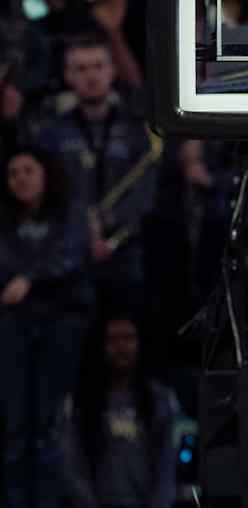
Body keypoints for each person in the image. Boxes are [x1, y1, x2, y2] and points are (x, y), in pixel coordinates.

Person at [0, 148, 91, 508]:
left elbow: (71, 256)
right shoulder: (4, 219)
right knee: (17, 430)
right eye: (13, 172)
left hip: (59, 327)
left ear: (45, 173)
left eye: (28, 170)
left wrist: (30, 279)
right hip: (14, 330)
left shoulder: (69, 211)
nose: (20, 178)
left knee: (50, 430)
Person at [36, 35, 158, 312]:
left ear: (112, 71)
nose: (91, 76)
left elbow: (146, 190)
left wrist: (111, 231)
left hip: (125, 249)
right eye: (80, 69)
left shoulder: (135, 129)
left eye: (97, 66)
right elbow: (48, 191)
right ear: (68, 76)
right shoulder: (51, 133)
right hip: (67, 251)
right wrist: (83, 227)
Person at [59, 315, 180, 508]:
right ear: (100, 346)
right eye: (112, 340)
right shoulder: (77, 403)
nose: (121, 347)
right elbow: (74, 480)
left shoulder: (161, 400)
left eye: (128, 338)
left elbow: (166, 479)